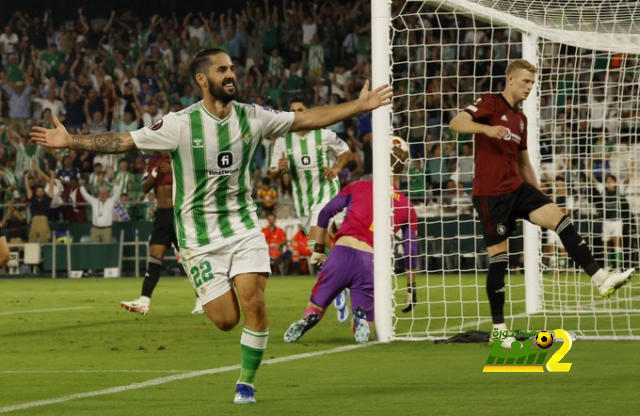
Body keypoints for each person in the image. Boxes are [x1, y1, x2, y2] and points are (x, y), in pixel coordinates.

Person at [30, 47, 392, 405]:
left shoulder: (253, 117)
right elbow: (123, 141)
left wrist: (359, 106)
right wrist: (70, 140)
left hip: (242, 225)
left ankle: (246, 384)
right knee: (226, 320)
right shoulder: (179, 124)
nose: (230, 74)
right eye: (222, 70)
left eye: (231, 67)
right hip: (197, 237)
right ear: (202, 79)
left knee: (256, 305)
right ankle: (211, 290)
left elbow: (307, 119)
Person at [449, 59, 634, 346]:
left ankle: (600, 277)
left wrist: (539, 194)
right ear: (510, 79)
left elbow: (523, 163)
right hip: (490, 195)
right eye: (525, 81)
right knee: (500, 259)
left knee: (559, 216)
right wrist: (486, 130)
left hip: (518, 188)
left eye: (532, 83)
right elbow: (456, 123)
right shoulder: (490, 103)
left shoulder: (521, 119)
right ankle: (500, 330)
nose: (529, 87)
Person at [283, 138, 418, 344]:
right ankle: (360, 320)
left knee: (316, 305)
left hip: (340, 253)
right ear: (404, 165)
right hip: (369, 261)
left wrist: (319, 248)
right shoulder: (407, 207)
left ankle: (309, 317)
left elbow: (326, 212)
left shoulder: (358, 186)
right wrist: (411, 288)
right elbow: (411, 250)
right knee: (365, 318)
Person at [270, 97, 352, 321]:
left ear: (308, 111)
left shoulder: (323, 134)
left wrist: (337, 167)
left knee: (322, 235)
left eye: (301, 109)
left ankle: (342, 280)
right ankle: (341, 283)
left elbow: (346, 152)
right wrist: (279, 170)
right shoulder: (282, 141)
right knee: (320, 249)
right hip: (302, 202)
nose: (297, 113)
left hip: (326, 193)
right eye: (293, 110)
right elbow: (272, 173)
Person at [120, 153, 203, 315]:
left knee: (190, 257)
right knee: (155, 256)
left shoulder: (181, 158)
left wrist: (174, 169)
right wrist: (155, 173)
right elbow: (145, 188)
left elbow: (194, 182)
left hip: (179, 214)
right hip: (162, 215)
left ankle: (202, 299)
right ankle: (144, 302)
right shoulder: (154, 162)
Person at [79, 179, 121, 243]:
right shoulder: (94, 201)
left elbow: (117, 194)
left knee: (106, 248)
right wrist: (81, 186)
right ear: (98, 194)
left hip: (107, 230)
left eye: (105, 193)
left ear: (107, 194)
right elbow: (85, 195)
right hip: (95, 229)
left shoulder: (111, 201)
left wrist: (117, 185)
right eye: (101, 193)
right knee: (94, 248)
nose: (103, 195)